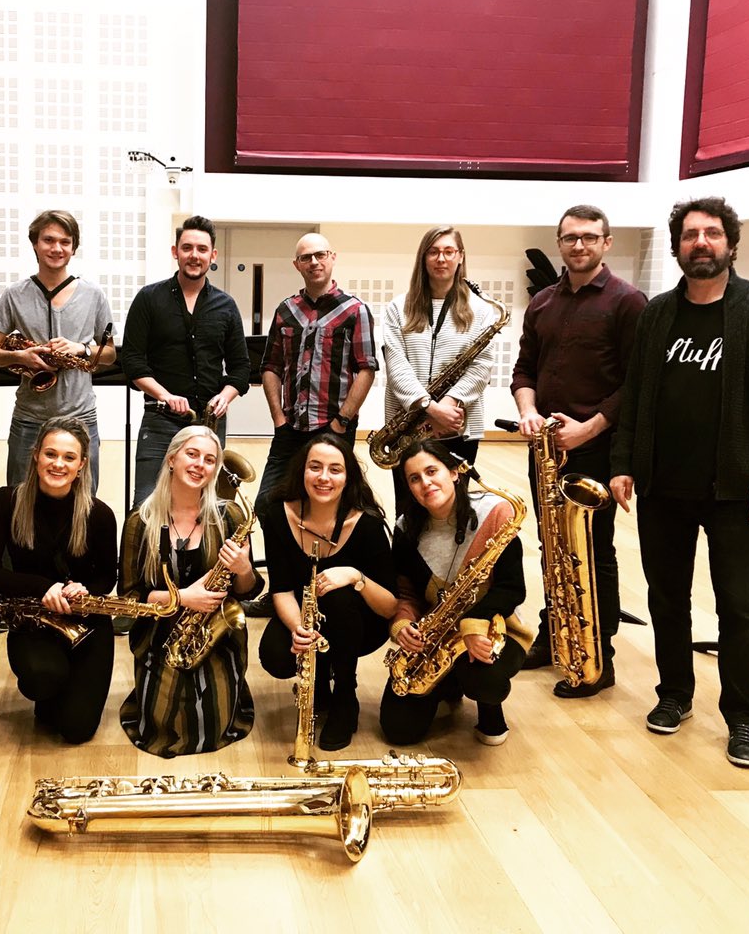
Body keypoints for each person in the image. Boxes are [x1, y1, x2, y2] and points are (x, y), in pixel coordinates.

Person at [610, 196, 749, 769]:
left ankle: (742, 716)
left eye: (712, 234)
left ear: (731, 244)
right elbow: (636, 395)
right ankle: (675, 694)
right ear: (678, 246)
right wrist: (623, 462)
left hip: (737, 490)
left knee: (741, 608)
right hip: (664, 486)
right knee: (668, 600)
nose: (701, 243)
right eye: (691, 235)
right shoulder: (659, 314)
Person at [510, 204, 646, 697]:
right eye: (570, 238)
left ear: (606, 243)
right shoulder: (543, 302)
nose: (579, 245)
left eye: (590, 237)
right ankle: (555, 632)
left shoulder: (629, 302)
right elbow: (524, 370)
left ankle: (598, 655)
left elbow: (637, 383)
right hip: (547, 447)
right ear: (560, 242)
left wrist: (588, 429)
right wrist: (527, 410)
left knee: (593, 553)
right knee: (552, 546)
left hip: (595, 449)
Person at [118, 425, 262, 757]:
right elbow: (128, 600)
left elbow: (247, 591)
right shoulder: (140, 522)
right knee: (164, 725)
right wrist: (181, 598)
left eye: (210, 460)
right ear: (171, 458)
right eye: (192, 454)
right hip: (159, 636)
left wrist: (242, 568)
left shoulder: (230, 516)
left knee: (211, 721)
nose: (200, 465)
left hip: (217, 639)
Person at [379, 441, 531, 747]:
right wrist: (402, 624)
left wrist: (474, 624)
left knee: (484, 680)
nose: (426, 483)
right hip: (435, 637)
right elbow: (406, 592)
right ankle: (448, 681)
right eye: (414, 478)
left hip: (493, 626)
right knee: (399, 730)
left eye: (432, 471)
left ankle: (489, 707)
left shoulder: (496, 513)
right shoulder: (407, 529)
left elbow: (512, 588)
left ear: (454, 472)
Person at [0, 416, 118, 744]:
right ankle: (49, 688)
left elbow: (106, 577)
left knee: (76, 730)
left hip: (86, 623)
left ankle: (63, 692)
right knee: (43, 680)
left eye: (69, 457)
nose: (58, 464)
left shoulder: (99, 514)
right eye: (50, 454)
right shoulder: (5, 501)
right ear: (36, 455)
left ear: (82, 465)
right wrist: (44, 589)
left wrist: (85, 590)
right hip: (32, 619)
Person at [258, 433, 397, 752]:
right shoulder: (277, 514)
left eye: (335, 469)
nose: (323, 477)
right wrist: (299, 630)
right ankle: (319, 684)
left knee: (336, 592)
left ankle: (346, 695)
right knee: (277, 656)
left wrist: (355, 576)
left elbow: (389, 607)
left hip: (360, 622)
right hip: (304, 612)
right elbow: (280, 590)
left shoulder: (368, 524)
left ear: (348, 477)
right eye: (315, 467)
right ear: (301, 471)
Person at [121, 215, 250, 507]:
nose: (195, 255)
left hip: (210, 424)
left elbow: (241, 368)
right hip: (160, 420)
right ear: (175, 251)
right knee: (145, 505)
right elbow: (132, 360)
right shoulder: (149, 298)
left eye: (202, 249)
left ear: (212, 255)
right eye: (187, 247)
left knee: (204, 508)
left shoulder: (226, 306)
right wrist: (165, 395)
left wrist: (225, 396)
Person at [0, 209, 114, 491]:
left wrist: (81, 349)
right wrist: (20, 357)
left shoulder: (93, 295)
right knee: (18, 500)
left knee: (84, 502)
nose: (57, 248)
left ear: (74, 248)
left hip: (81, 416)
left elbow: (110, 354)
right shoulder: (14, 294)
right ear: (35, 243)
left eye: (65, 242)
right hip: (29, 417)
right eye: (48, 240)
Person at [255, 232, 377, 518]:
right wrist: (278, 418)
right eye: (306, 257)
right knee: (267, 504)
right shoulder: (286, 310)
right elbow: (270, 367)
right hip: (291, 429)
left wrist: (342, 421)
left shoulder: (355, 311)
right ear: (296, 264)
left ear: (332, 258)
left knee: (330, 509)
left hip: (333, 428)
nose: (314, 262)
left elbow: (366, 369)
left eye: (320, 255)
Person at [382, 225, 498, 517]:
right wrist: (429, 407)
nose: (441, 259)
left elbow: (482, 364)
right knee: (408, 510)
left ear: (460, 257)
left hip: (457, 424)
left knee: (453, 507)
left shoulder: (481, 310)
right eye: (433, 252)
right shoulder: (398, 307)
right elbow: (396, 363)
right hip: (406, 425)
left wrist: (452, 402)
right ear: (423, 258)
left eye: (449, 251)